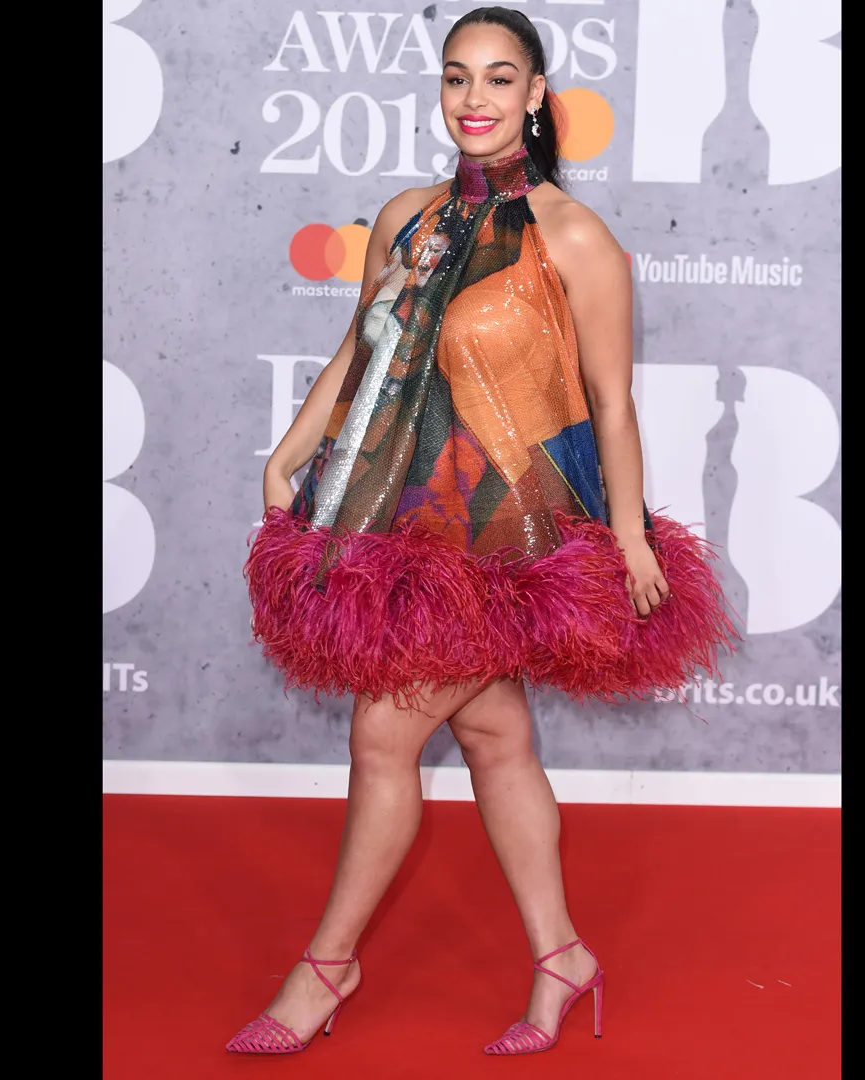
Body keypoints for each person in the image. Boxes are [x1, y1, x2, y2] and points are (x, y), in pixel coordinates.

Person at [231, 5, 739, 1057]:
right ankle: (562, 957)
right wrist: (288, 449)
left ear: (537, 96)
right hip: (407, 523)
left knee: (384, 734)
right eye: (458, 78)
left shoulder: (578, 239)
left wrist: (634, 537)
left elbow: (612, 401)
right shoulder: (406, 215)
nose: (475, 100)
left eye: (500, 80)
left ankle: (326, 968)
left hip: (514, 541)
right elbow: (360, 350)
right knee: (496, 739)